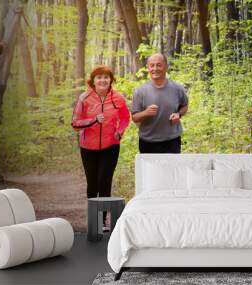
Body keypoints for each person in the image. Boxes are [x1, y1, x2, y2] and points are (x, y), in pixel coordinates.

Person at [72, 65, 130, 229]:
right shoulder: (84, 98)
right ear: (93, 81)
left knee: (105, 182)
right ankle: (93, 220)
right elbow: (75, 124)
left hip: (111, 146)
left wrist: (120, 131)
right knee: (93, 185)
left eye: (106, 77)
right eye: (99, 77)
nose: (103, 80)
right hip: (88, 148)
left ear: (111, 80)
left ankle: (102, 221)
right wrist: (94, 120)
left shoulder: (118, 98)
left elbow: (125, 118)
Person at [131, 53, 188, 153]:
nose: (155, 68)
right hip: (148, 142)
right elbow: (135, 118)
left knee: (171, 169)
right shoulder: (140, 91)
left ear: (166, 67)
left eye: (159, 65)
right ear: (148, 68)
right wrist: (146, 113)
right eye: (152, 65)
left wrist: (178, 114)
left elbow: (184, 106)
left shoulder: (177, 88)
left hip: (172, 141)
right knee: (149, 170)